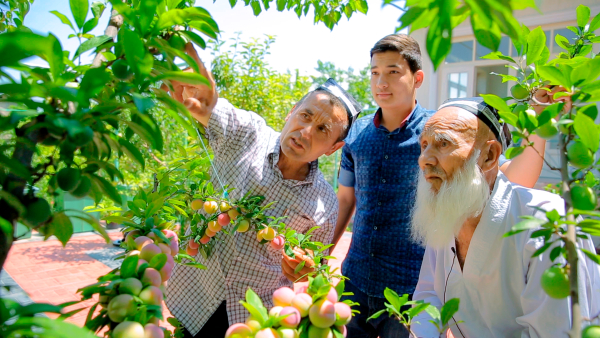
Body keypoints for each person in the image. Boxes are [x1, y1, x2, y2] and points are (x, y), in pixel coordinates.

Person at [333, 34, 553, 338]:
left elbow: (508, 179)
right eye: (374, 73)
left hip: (409, 286)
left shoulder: (441, 127)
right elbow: (346, 200)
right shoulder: (357, 132)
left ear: (417, 77)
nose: (381, 82)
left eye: (393, 71)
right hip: (356, 276)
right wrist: (323, 257)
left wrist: (540, 124)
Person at [163, 43, 363, 338]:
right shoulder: (247, 134)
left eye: (322, 129)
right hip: (195, 293)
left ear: (334, 148)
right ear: (291, 112)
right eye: (305, 116)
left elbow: (313, 263)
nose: (305, 131)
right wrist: (205, 102)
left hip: (255, 317)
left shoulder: (325, 205)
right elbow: (220, 113)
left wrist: (304, 267)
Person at [410, 98, 600, 337]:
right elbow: (429, 296)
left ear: (489, 155)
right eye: (424, 145)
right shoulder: (447, 212)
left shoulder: (548, 223)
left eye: (444, 143)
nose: (424, 159)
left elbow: (555, 331)